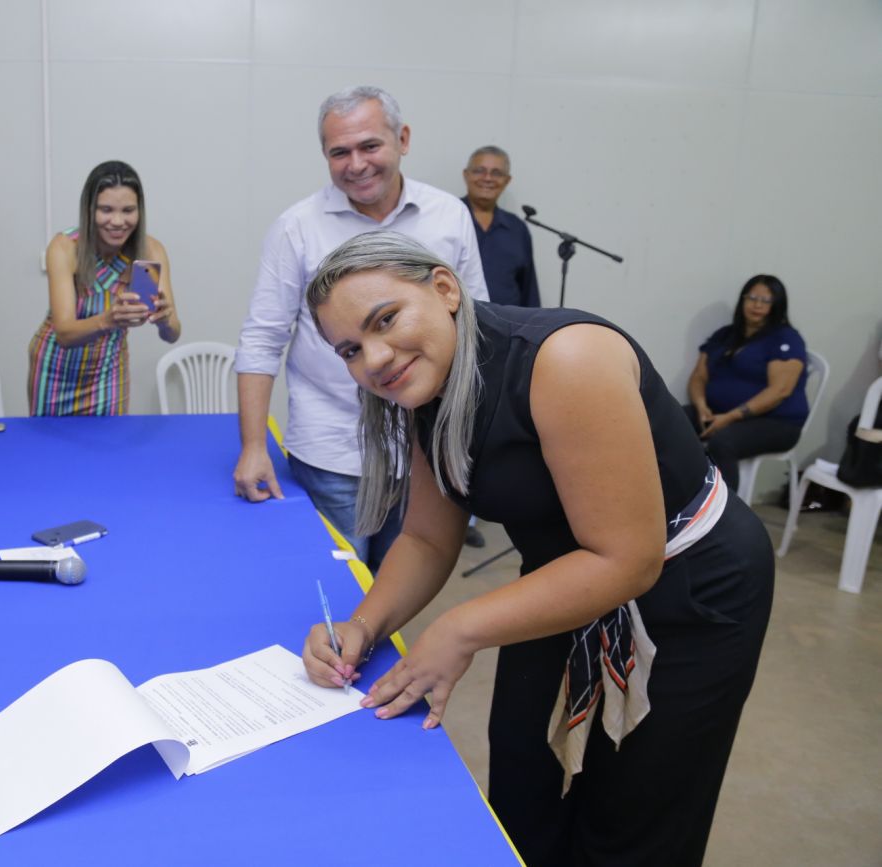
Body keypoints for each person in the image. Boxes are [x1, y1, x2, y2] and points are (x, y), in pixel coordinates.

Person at [299, 231, 773, 867]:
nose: (375, 358)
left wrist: (460, 627)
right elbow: (426, 536)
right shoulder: (422, 385)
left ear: (444, 289)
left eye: (386, 320)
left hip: (689, 587)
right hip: (564, 578)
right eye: (351, 350)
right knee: (525, 780)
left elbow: (627, 560)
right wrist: (363, 623)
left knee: (637, 812)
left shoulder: (564, 358)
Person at [233, 86, 488, 568]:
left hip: (429, 449)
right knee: (338, 587)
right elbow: (262, 339)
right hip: (334, 452)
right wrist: (252, 448)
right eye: (339, 152)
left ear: (403, 138)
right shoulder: (297, 227)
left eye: (369, 145)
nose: (356, 163)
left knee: (404, 581)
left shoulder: (449, 217)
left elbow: (477, 320)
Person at [27, 160, 180, 415]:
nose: (118, 221)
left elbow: (172, 334)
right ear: (89, 210)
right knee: (51, 452)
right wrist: (108, 320)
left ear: (139, 211)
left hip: (108, 371)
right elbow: (64, 333)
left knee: (111, 448)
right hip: (55, 370)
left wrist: (164, 320)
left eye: (128, 210)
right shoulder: (65, 248)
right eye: (106, 210)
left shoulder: (151, 250)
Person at [685, 275, 808, 491]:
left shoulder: (785, 338)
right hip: (717, 413)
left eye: (766, 300)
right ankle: (671, 496)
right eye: (752, 297)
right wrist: (701, 406)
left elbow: (780, 390)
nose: (757, 305)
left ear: (777, 305)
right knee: (671, 420)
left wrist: (731, 417)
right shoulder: (725, 335)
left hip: (776, 422)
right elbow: (698, 376)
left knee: (723, 442)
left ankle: (724, 516)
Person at [462, 145, 540, 308]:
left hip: (507, 328)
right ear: (466, 175)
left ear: (507, 180)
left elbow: (528, 291)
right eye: (479, 170)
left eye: (496, 173)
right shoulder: (448, 217)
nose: (487, 178)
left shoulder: (517, 228)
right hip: (455, 325)